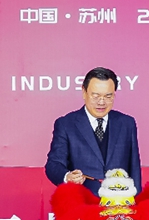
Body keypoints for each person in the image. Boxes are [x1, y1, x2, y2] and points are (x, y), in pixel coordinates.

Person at [45, 66, 141, 197]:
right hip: (82, 201)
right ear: (84, 92)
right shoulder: (66, 124)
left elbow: (134, 168)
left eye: (108, 96)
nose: (101, 102)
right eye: (95, 96)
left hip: (120, 203)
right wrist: (67, 177)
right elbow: (54, 164)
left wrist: (137, 201)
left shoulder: (127, 123)